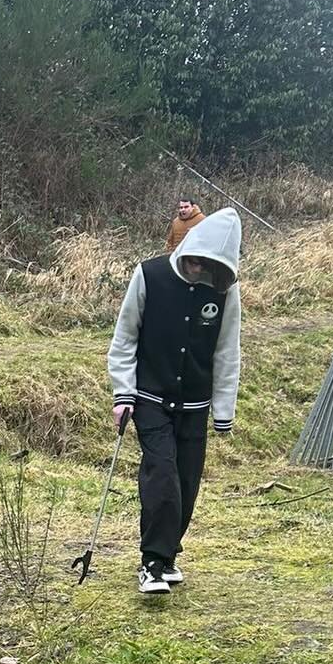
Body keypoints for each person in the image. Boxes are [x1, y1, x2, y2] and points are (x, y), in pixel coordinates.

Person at [107, 206, 242, 596]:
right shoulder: (149, 275)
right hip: (150, 398)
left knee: (185, 482)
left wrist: (223, 411)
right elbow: (125, 338)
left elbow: (226, 351)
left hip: (195, 405)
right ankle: (150, 563)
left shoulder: (225, 290)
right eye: (197, 261)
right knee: (161, 475)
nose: (201, 269)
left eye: (210, 266)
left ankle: (167, 557)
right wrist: (122, 393)